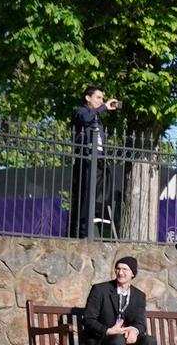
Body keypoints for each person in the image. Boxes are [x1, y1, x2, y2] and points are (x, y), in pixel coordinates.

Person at [70, 85, 119, 238]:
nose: (101, 101)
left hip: (99, 162)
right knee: (84, 195)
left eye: (102, 99)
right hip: (86, 160)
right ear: (88, 98)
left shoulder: (99, 119)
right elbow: (85, 119)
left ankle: (100, 222)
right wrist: (104, 107)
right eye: (98, 97)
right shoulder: (81, 112)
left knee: (102, 194)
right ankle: (81, 233)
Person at [83, 256, 147, 345]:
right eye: (118, 269)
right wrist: (108, 331)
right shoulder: (100, 290)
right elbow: (88, 319)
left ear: (133, 273)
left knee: (149, 341)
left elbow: (140, 323)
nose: (120, 273)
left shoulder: (139, 296)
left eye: (124, 269)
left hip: (125, 337)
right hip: (102, 338)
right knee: (117, 340)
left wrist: (134, 331)